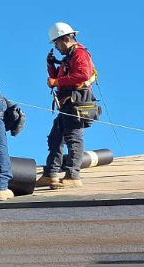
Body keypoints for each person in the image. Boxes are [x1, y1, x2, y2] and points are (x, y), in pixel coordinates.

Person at [37, 22, 99, 189]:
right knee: (56, 137)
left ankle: (73, 175)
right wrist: (51, 65)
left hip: (77, 100)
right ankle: (51, 174)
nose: (56, 47)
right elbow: (57, 80)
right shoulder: (69, 57)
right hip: (68, 101)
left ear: (65, 39)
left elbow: (82, 75)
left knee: (73, 137)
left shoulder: (79, 53)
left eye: (56, 43)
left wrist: (56, 80)